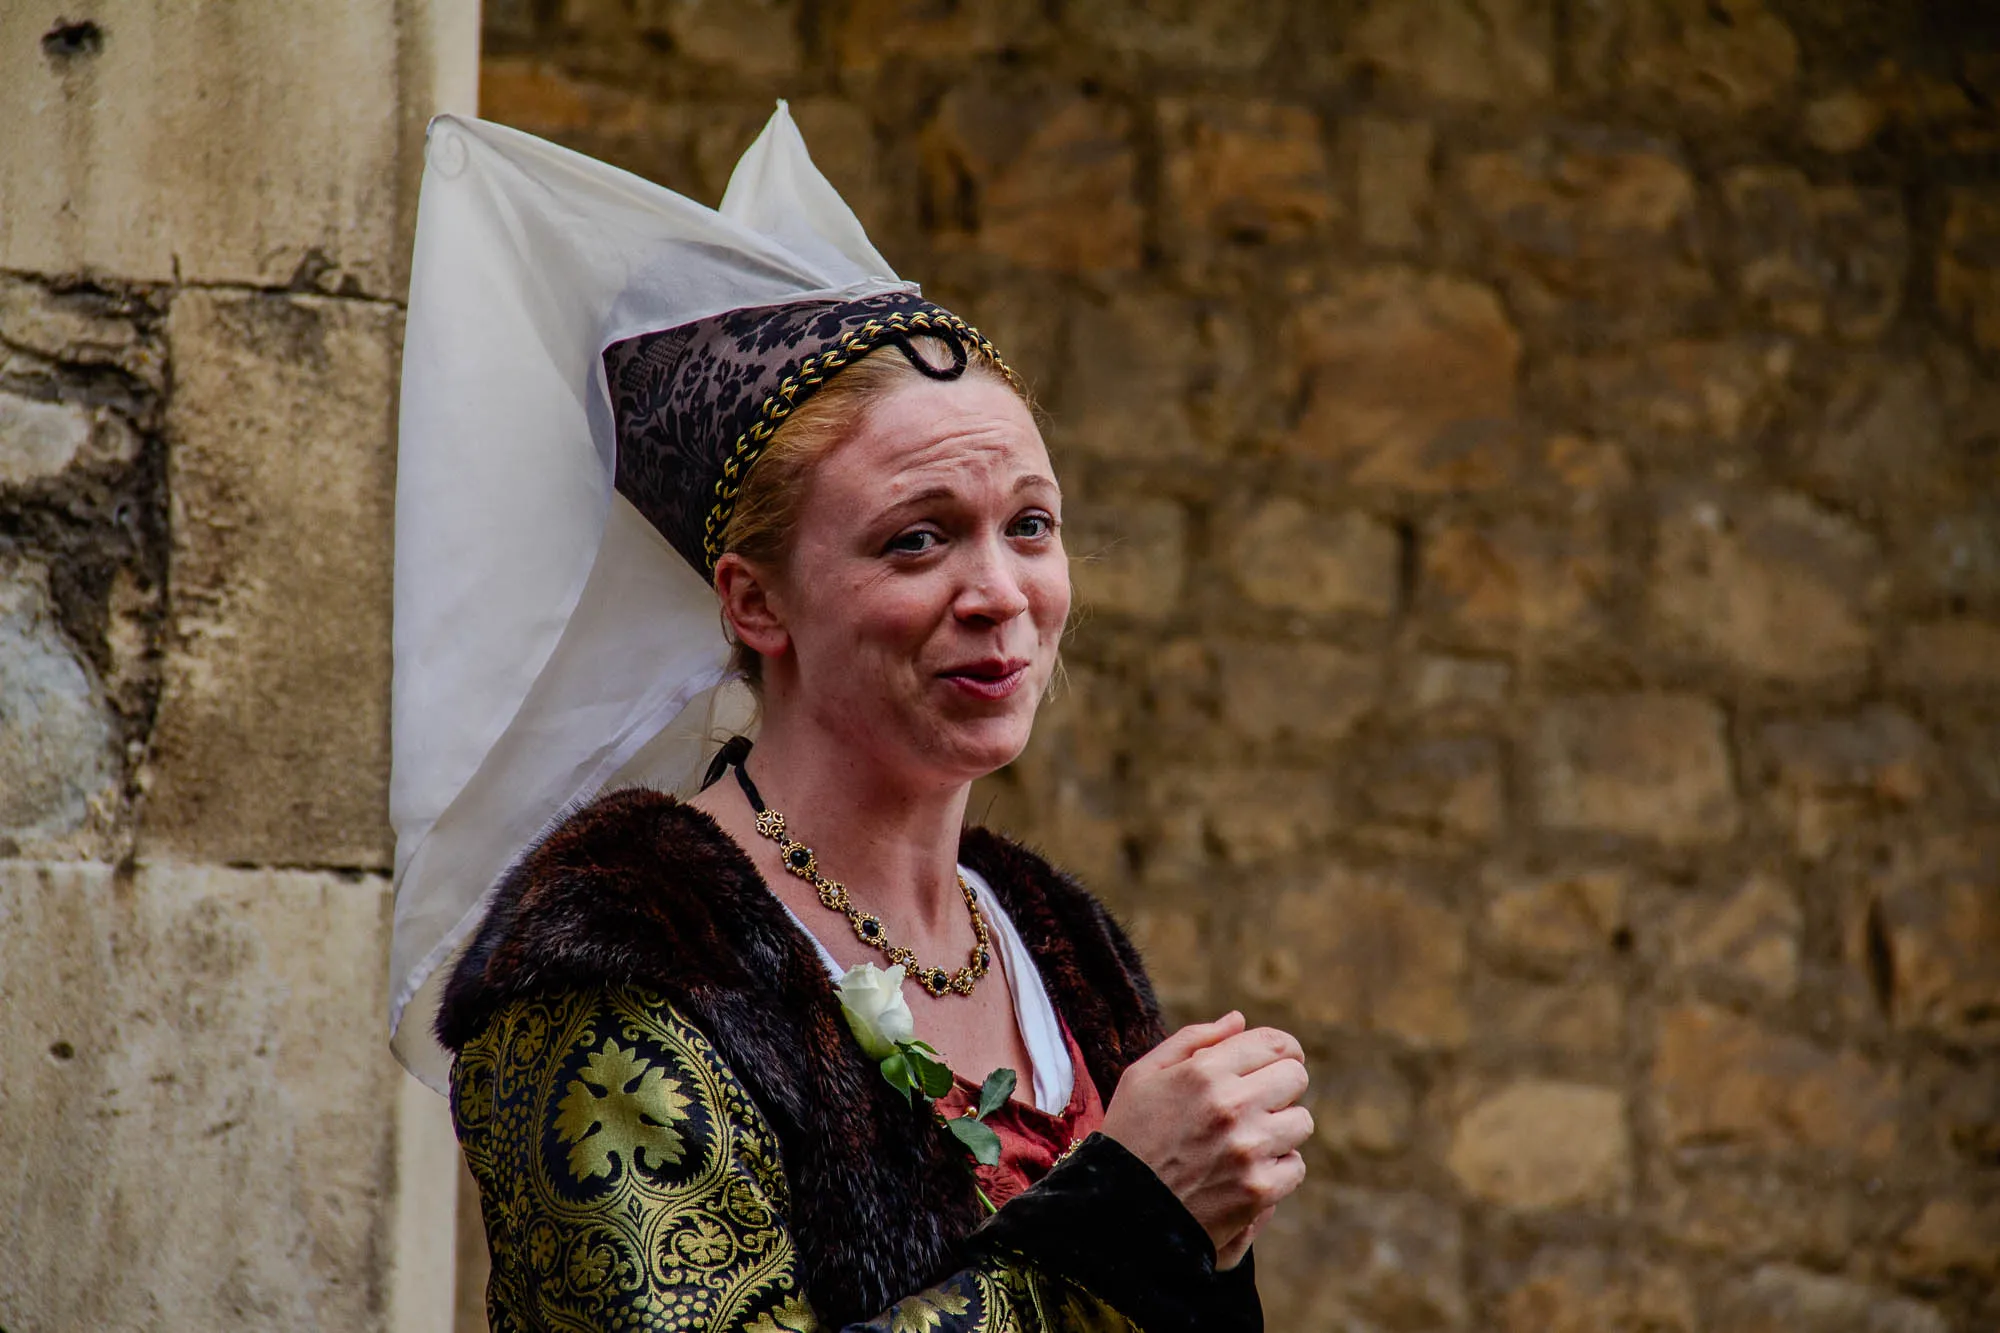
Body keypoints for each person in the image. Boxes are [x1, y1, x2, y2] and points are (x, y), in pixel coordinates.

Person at [389, 106, 1311, 1333]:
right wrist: (1125, 1226)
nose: (997, 594)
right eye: (915, 538)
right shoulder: (616, 963)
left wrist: (1202, 1246)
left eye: (1027, 525)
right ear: (755, 600)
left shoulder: (1056, 944)